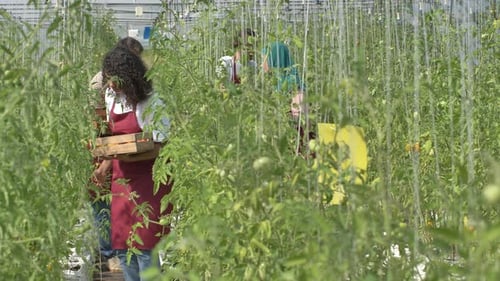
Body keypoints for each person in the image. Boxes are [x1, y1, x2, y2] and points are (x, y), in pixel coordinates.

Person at [92, 46, 173, 281]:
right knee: (122, 243)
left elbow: (162, 146)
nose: (110, 85)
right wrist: (104, 167)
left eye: (114, 79)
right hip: (121, 177)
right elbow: (116, 143)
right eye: (108, 79)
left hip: (149, 178)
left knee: (145, 244)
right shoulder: (112, 99)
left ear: (128, 76)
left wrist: (129, 156)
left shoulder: (151, 102)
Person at [88, 37, 145, 273]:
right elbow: (99, 122)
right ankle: (108, 252)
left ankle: (116, 252)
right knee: (103, 203)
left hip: (126, 157)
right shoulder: (101, 84)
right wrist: (104, 157)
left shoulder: (138, 90)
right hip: (105, 147)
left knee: (137, 226)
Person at [262, 41, 314, 156]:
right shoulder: (278, 84)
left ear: (275, 59)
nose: (262, 64)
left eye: (265, 59)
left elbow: (302, 128)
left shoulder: (295, 88)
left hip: (296, 152)